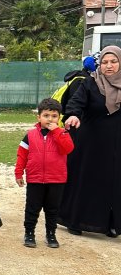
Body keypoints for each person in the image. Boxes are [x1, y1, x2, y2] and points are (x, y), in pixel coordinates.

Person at [60, 45, 121, 238]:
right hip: (90, 143)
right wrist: (73, 115)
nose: (109, 66)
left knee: (113, 183)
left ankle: (111, 224)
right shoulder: (90, 83)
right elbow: (75, 103)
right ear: (99, 65)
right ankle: (75, 220)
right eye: (104, 62)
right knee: (86, 181)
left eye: (113, 61)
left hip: (116, 143)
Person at [14, 98, 74, 248]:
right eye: (46, 115)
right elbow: (22, 155)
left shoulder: (63, 134)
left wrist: (58, 132)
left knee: (52, 209)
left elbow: (68, 149)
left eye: (54, 116)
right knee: (32, 208)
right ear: (39, 117)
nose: (50, 119)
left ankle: (51, 235)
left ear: (59, 118)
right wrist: (18, 173)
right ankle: (29, 233)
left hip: (56, 180)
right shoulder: (30, 135)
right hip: (35, 179)